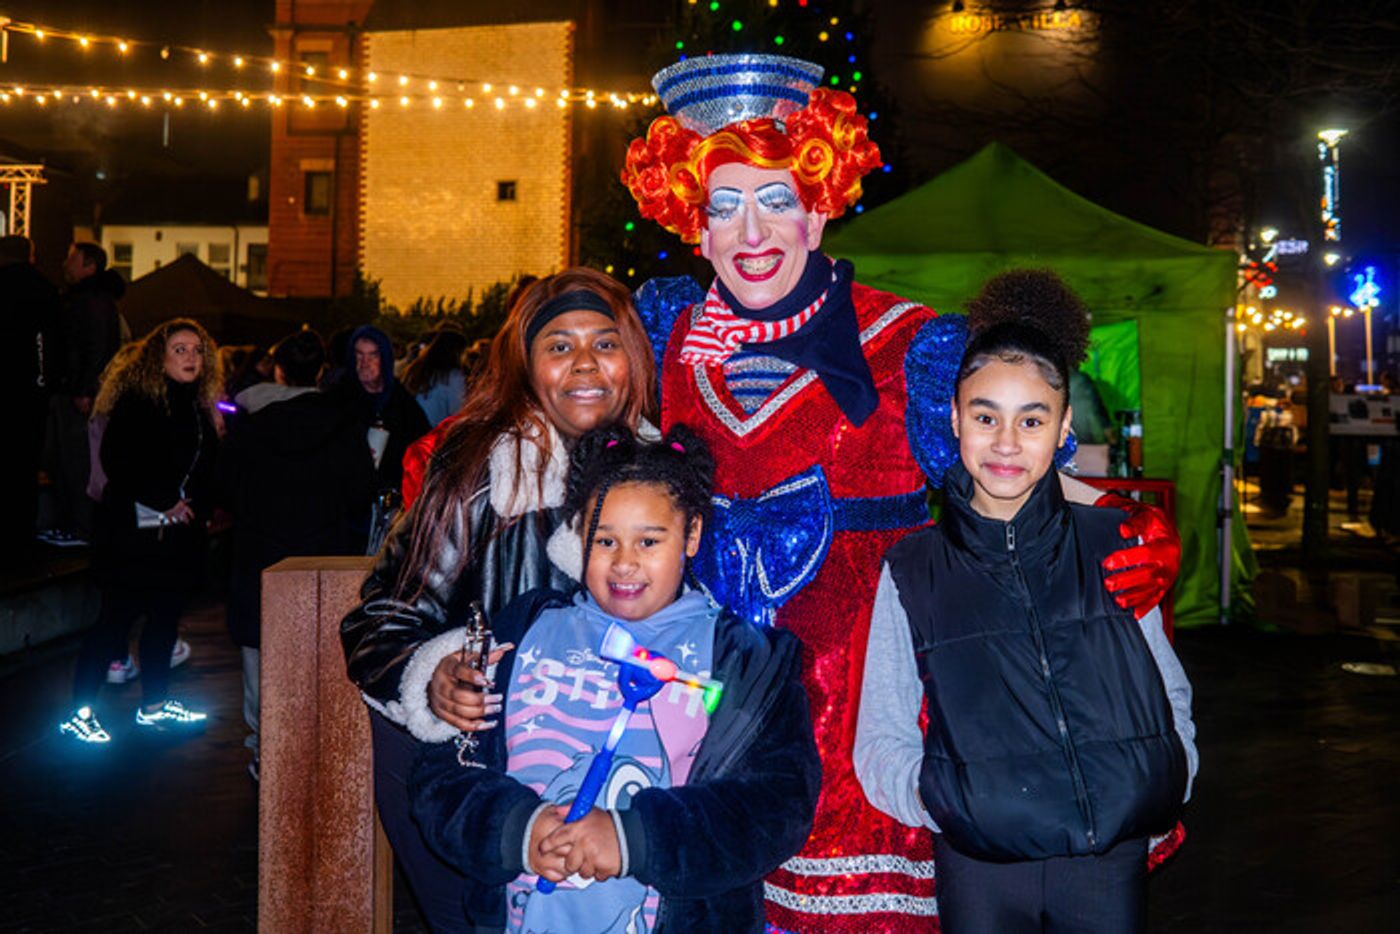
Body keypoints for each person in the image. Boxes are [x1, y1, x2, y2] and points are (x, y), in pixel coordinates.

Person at [621, 55, 1182, 927]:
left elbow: (1008, 464)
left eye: (776, 198)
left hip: (864, 710)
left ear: (818, 208)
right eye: (723, 205)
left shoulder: (908, 344)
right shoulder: (665, 338)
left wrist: (1119, 530)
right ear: (695, 228)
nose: (751, 230)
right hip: (706, 701)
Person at [855, 272, 1197, 933]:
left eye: (1031, 419)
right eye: (986, 416)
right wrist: (951, 804)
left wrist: (1166, 778)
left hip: (1104, 861)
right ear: (955, 419)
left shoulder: (1114, 544)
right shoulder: (912, 568)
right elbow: (881, 732)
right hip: (980, 866)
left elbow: (1166, 690)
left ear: (1063, 426)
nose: (1007, 442)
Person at [339, 268, 657, 931]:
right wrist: (433, 679)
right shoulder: (478, 468)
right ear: (526, 364)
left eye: (605, 343)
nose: (585, 365)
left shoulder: (666, 475)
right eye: (559, 346)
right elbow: (382, 615)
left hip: (608, 785)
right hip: (475, 785)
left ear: (633, 357)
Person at [411, 424, 820, 932]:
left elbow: (776, 805)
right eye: (605, 540)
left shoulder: (743, 657)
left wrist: (634, 839)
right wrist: (518, 829)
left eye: (649, 540)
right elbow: (442, 777)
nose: (625, 563)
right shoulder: (522, 630)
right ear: (579, 532)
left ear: (691, 534)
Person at [222, 329, 377, 779]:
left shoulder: (249, 427)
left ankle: (265, 751)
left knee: (261, 662)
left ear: (279, 371)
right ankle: (317, 748)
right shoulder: (343, 426)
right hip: (324, 558)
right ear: (322, 373)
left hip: (261, 559)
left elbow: (225, 488)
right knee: (321, 656)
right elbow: (361, 491)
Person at [59, 319, 221, 744]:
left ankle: (154, 704)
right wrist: (166, 498)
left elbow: (213, 468)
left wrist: (195, 507)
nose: (191, 358)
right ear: (159, 357)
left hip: (176, 537)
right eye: (181, 349)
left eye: (197, 350)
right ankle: (81, 711)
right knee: (115, 622)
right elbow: (120, 462)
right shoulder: (138, 401)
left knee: (164, 621)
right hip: (130, 537)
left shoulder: (197, 405)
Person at [41, 241, 126, 546]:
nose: (66, 264)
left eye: (72, 258)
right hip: (78, 389)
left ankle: (79, 526)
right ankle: (76, 524)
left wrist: (84, 388)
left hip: (79, 393)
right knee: (70, 458)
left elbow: (93, 347)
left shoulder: (90, 301)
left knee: (76, 459)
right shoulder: (95, 300)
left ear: (89, 265)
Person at [0, 235, 60, 559]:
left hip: (12, 389)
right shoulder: (44, 291)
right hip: (29, 394)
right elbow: (48, 343)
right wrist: (44, 383)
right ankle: (20, 532)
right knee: (24, 464)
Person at [332, 324, 430, 495]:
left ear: (384, 359)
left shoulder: (402, 403)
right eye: (359, 355)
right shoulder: (338, 398)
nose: (365, 363)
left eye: (373, 355)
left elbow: (422, 447)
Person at [400, 328, 469, 427]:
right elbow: (457, 411)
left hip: (409, 429)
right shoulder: (452, 376)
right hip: (433, 434)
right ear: (457, 352)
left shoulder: (415, 368)